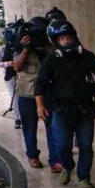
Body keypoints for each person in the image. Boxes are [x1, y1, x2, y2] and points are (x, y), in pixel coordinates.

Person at [35, 20, 95, 188]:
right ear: (55, 41)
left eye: (67, 37)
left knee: (85, 145)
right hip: (61, 110)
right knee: (61, 145)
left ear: (73, 37)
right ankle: (67, 166)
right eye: (61, 38)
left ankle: (84, 177)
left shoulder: (86, 56)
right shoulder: (51, 60)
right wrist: (40, 105)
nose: (66, 41)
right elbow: (40, 84)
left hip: (84, 109)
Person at [13, 16, 61, 171]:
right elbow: (17, 67)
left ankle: (55, 160)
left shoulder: (50, 46)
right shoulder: (21, 46)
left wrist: (48, 47)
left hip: (48, 93)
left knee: (53, 128)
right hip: (27, 95)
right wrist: (26, 49)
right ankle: (32, 156)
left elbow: (60, 64)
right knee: (29, 128)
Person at [0, 44, 21, 129]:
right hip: (8, 76)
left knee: (22, 96)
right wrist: (8, 64)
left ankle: (22, 117)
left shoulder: (20, 47)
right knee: (14, 97)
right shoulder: (1, 49)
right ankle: (17, 118)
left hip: (21, 76)